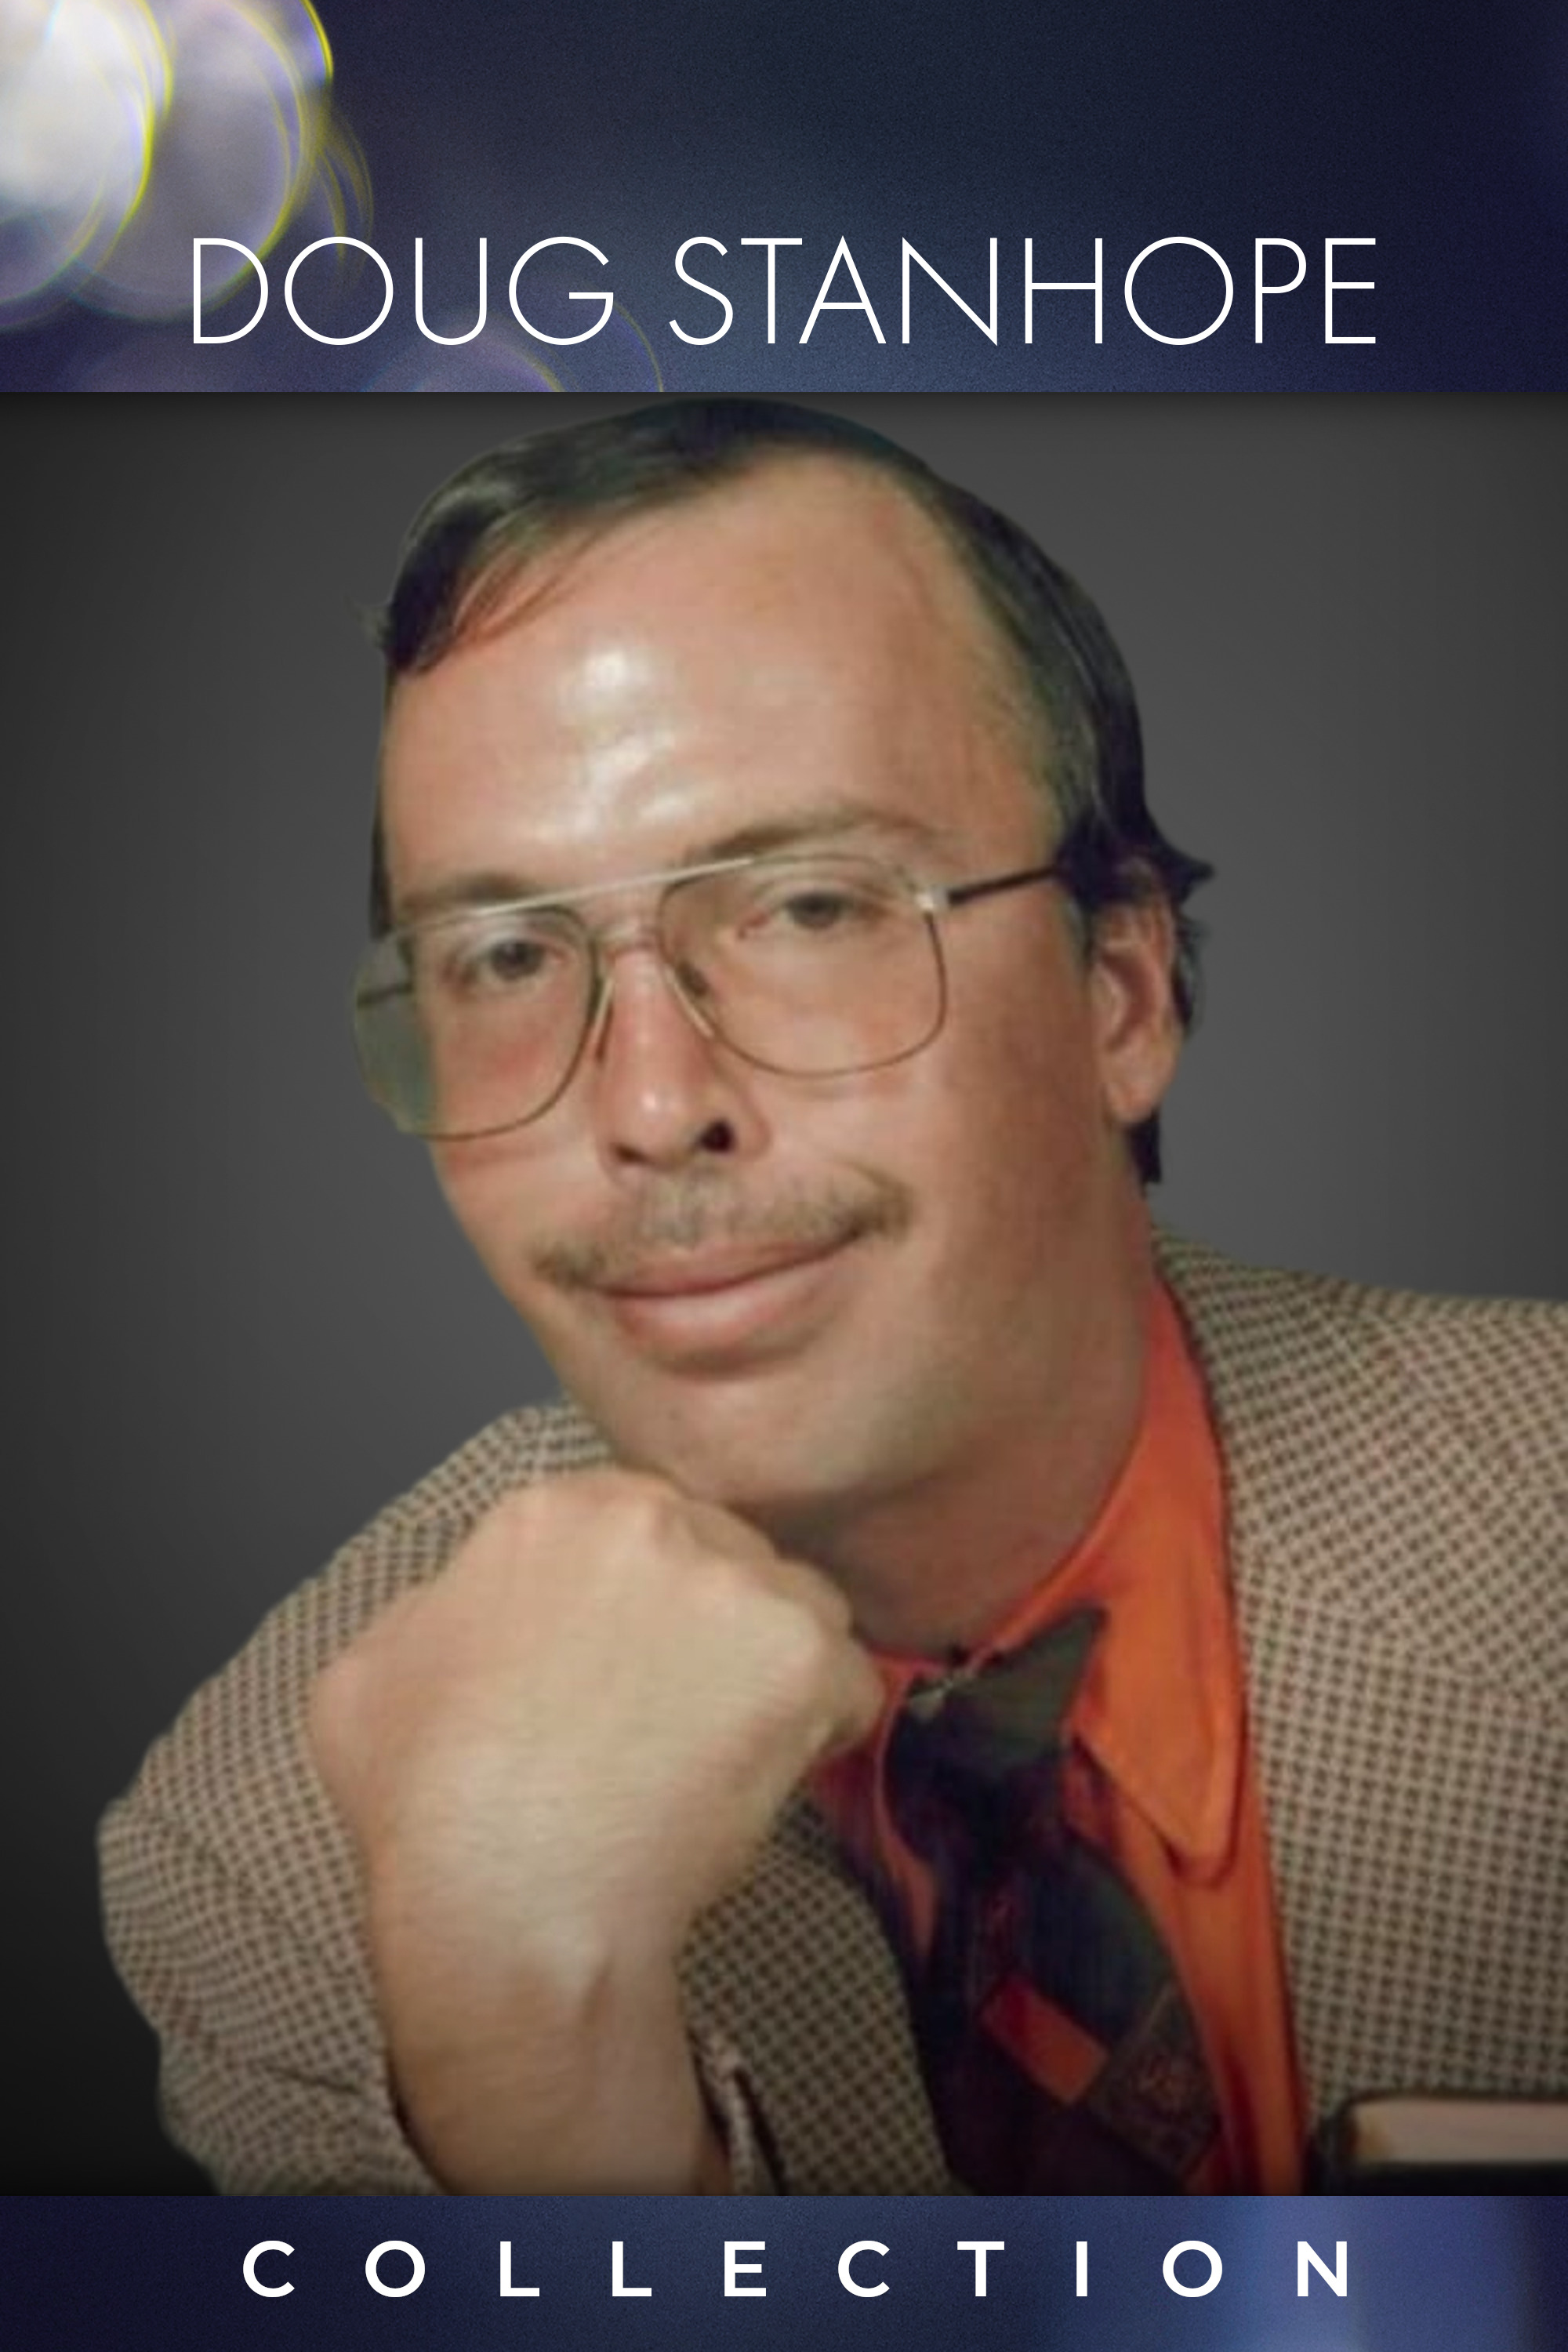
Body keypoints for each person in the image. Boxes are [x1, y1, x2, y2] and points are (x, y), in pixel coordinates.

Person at [99, 399, 1568, 2197]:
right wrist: (521, 2032)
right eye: (506, 954)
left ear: (1120, 996)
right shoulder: (266, 1848)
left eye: (805, 908)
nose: (651, 1109)